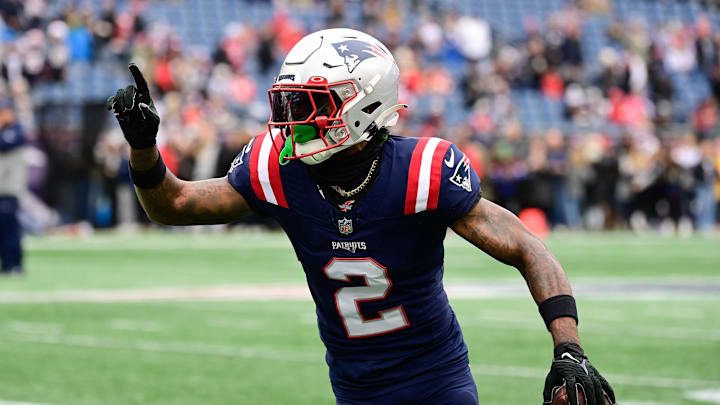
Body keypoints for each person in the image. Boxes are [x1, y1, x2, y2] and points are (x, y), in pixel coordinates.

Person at [107, 28, 616, 405]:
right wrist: (144, 148)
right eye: (288, 104)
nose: (293, 122)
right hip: (352, 386)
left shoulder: (421, 171)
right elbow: (172, 205)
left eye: (309, 105)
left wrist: (568, 347)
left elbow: (527, 246)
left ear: (362, 107)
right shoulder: (276, 167)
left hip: (436, 381)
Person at [0, 98, 28, 275]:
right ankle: (6, 265)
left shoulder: (16, 131)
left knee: (11, 229)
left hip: (9, 188)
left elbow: (4, 143)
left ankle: (15, 265)